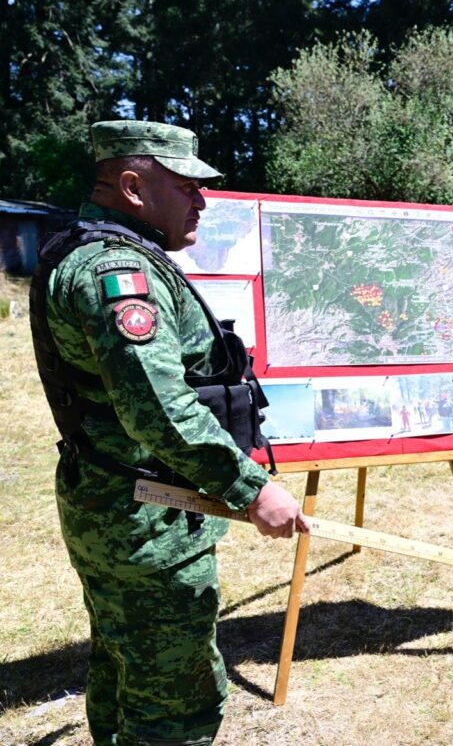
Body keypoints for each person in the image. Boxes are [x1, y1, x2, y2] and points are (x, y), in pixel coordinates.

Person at [29, 120, 307, 745]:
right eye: (186, 187)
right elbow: (156, 407)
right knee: (174, 703)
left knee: (124, 668)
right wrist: (252, 490)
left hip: (118, 505)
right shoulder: (121, 274)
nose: (202, 201)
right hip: (147, 519)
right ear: (132, 186)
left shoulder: (96, 253)